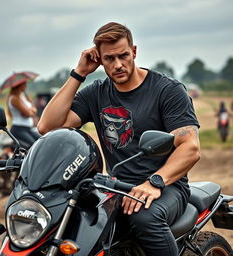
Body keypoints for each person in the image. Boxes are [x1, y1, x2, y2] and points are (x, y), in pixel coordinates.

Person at [37, 22, 200, 256]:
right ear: (100, 60)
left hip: (166, 185)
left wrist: (154, 182)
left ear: (134, 51)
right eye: (109, 59)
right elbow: (48, 127)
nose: (118, 65)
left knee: (145, 217)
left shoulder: (167, 90)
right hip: (116, 185)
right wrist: (79, 73)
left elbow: (190, 148)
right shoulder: (97, 92)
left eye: (123, 55)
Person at [7, 82, 40, 149]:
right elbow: (28, 113)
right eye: (24, 84)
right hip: (19, 129)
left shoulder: (23, 97)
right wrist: (30, 111)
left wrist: (30, 111)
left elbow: (34, 110)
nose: (26, 86)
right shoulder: (14, 98)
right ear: (19, 85)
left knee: (41, 141)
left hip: (27, 128)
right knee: (33, 146)